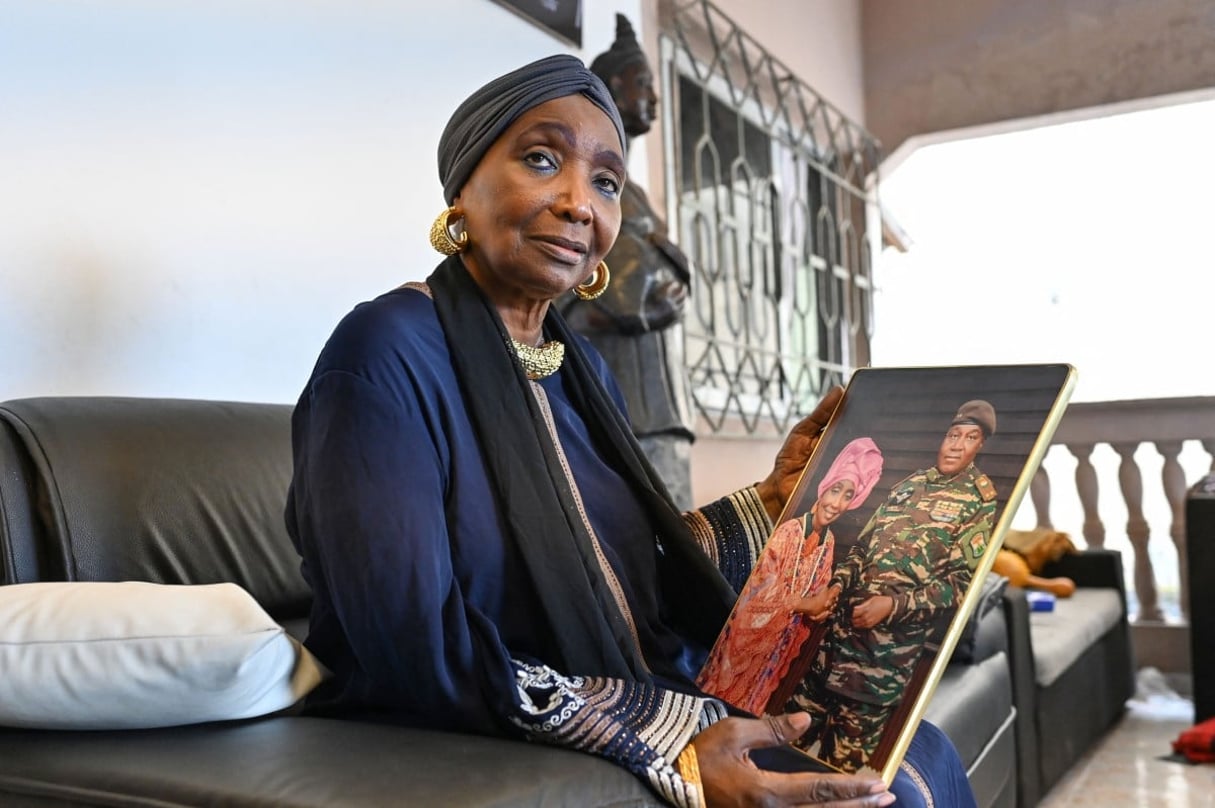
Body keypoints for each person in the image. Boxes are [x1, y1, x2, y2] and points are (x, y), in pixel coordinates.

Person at [285, 53, 973, 808]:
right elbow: (406, 636)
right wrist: (667, 753)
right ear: (462, 187)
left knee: (913, 752)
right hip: (481, 703)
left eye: (606, 182)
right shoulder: (385, 350)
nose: (580, 202)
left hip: (624, 673)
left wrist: (776, 500)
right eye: (542, 161)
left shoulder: (578, 367)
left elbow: (620, 574)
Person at [789, 400, 999, 775]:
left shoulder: (978, 502)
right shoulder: (910, 485)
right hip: (834, 649)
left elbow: (960, 588)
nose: (955, 445)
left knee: (839, 780)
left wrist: (892, 605)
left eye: (969, 438)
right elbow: (861, 550)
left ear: (979, 446)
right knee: (783, 746)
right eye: (953, 435)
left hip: (879, 668)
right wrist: (835, 587)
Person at [559, 14, 697, 509]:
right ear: (615, 84)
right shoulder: (579, 190)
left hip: (657, 400)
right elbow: (578, 290)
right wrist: (643, 297)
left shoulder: (629, 192)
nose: (654, 99)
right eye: (644, 84)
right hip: (617, 394)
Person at [696, 437, 884, 716]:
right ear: (824, 488)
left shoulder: (827, 543)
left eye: (848, 495)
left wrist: (821, 609)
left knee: (752, 712)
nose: (837, 503)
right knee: (719, 711)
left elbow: (818, 593)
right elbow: (756, 595)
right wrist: (804, 604)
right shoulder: (787, 532)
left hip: (774, 654)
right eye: (836, 490)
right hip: (745, 649)